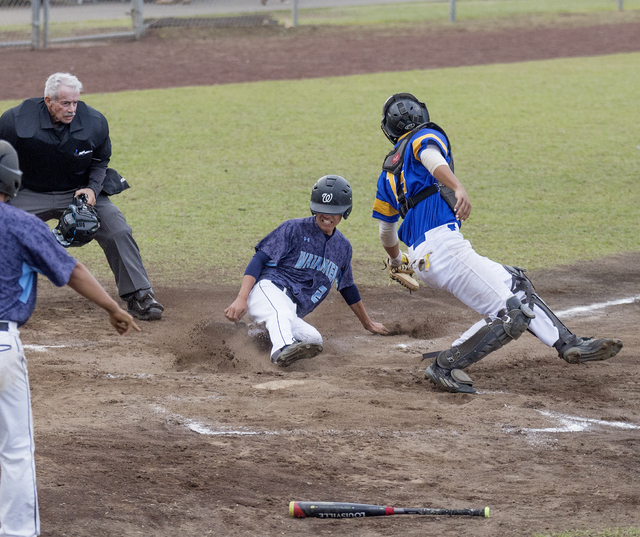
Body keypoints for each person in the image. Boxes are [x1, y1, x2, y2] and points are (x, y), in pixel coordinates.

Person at [372, 92, 623, 394]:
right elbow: (430, 156)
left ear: (390, 129)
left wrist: (399, 261)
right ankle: (446, 364)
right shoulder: (424, 136)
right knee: (511, 314)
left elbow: (387, 232)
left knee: (516, 282)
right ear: (420, 115)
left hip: (423, 257)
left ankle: (568, 344)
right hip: (445, 248)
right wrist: (456, 185)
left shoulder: (387, 175)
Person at [0, 140, 140, 537]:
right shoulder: (22, 225)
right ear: (12, 180)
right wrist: (113, 307)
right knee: (13, 450)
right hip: (2, 346)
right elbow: (72, 270)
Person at [0, 72, 164, 321]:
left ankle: (139, 295)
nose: (72, 109)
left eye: (75, 102)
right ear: (48, 100)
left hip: (78, 192)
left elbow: (100, 160)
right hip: (29, 192)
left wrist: (92, 189)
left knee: (118, 230)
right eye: (65, 103)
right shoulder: (16, 121)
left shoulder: (94, 122)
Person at [225, 175, 389, 366]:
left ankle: (241, 334)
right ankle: (280, 352)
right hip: (268, 291)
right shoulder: (294, 228)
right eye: (321, 210)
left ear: (345, 211)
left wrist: (367, 323)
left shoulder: (343, 247)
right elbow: (259, 259)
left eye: (333, 211)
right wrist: (241, 298)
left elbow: (347, 287)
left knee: (313, 339)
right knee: (280, 313)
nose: (326, 216)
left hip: (291, 309)